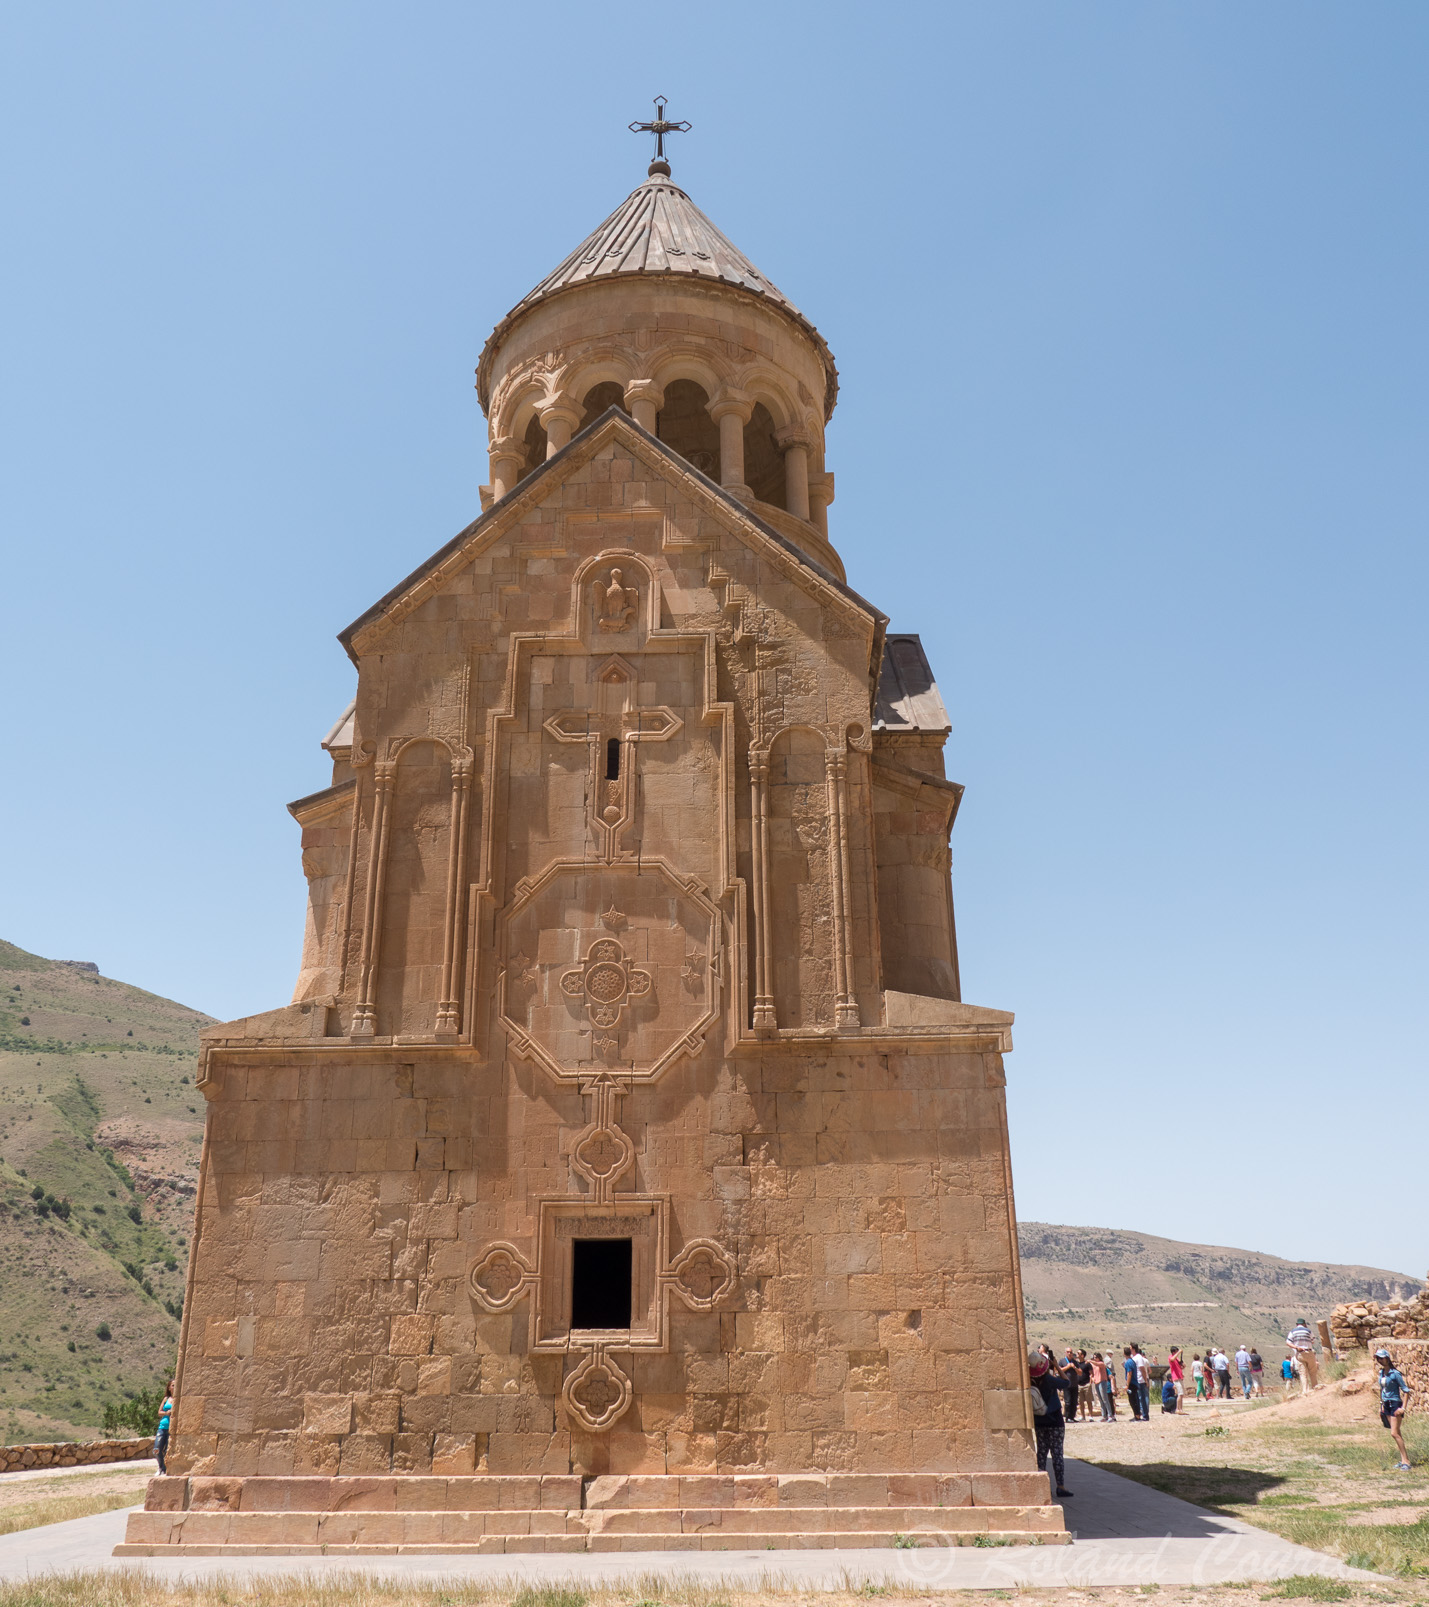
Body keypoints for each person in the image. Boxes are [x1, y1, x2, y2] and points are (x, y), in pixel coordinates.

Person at [1029, 1349, 1074, 1498]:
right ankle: (1060, 1486)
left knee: (1041, 1453)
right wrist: (1057, 1366)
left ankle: (1041, 1486)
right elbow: (1067, 1383)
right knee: (1057, 1454)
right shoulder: (1049, 1380)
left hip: (1039, 1421)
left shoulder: (1029, 1380)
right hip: (1055, 1421)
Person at [1374, 1348, 1412, 1470]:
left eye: (1382, 1358)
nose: (1380, 1360)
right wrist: (1381, 1405)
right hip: (1386, 1404)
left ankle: (1406, 1461)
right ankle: (1403, 1460)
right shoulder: (1381, 1373)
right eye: (1378, 1358)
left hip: (1395, 1403)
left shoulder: (1395, 1374)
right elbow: (1382, 1390)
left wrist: (1403, 1408)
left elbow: (1406, 1390)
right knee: (1397, 1433)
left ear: (1387, 1358)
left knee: (1394, 1433)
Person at [1287, 1320, 1318, 1392]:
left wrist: (1296, 1347)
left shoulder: (1292, 1332)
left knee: (1303, 1373)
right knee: (1312, 1372)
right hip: (1309, 1352)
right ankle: (1315, 1388)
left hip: (1300, 1353)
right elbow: (1313, 1341)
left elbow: (1288, 1342)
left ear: (1297, 1324)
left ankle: (1305, 1390)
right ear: (1304, 1324)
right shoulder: (1308, 1331)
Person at [153, 1380, 175, 1475]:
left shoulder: (179, 1399)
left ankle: (164, 1469)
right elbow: (159, 1412)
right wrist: (166, 1413)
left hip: (172, 1428)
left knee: (167, 1451)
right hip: (163, 1426)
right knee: (156, 1449)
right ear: (169, 1388)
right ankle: (161, 1466)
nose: (174, 1387)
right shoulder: (166, 1399)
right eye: (173, 1385)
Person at [1091, 1352, 1114, 1421]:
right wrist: (1092, 1378)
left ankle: (1110, 1415)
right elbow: (1093, 1374)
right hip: (1097, 1382)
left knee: (1105, 1399)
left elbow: (1097, 1364)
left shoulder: (1101, 1364)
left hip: (1102, 1382)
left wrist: (1090, 1361)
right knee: (1101, 1400)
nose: (1094, 1359)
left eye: (1095, 1357)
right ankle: (1104, 1416)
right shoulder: (1094, 1365)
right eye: (1094, 1357)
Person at [1076, 1350, 1096, 1423]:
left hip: (1086, 1384)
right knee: (1080, 1402)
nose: (1077, 1354)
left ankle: (1090, 1416)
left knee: (1089, 1401)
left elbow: (1091, 1373)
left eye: (1078, 1353)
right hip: (1079, 1385)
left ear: (1082, 1355)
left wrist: (1090, 1382)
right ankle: (1082, 1416)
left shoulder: (1087, 1364)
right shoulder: (1077, 1364)